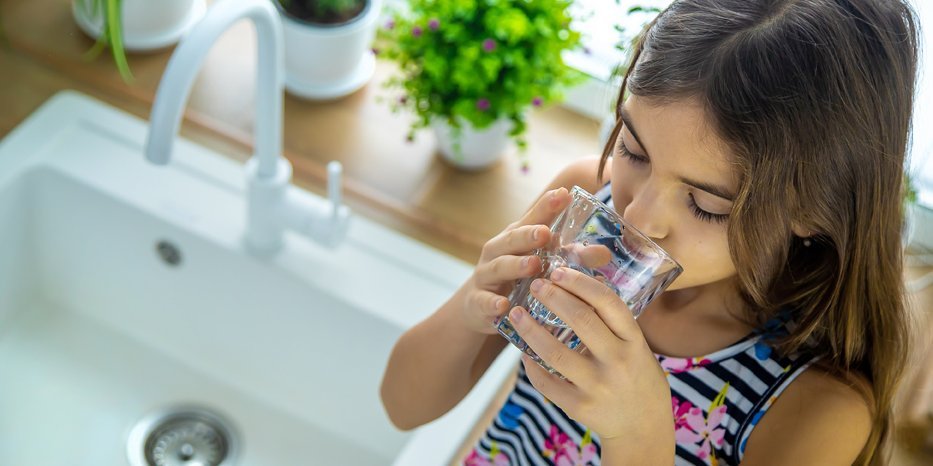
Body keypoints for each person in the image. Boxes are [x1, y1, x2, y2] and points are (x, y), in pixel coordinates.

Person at [380, 0, 920, 464]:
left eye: (706, 204)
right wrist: (472, 309)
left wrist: (638, 436)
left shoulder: (817, 408)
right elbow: (401, 405)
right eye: (633, 150)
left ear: (813, 208)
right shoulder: (579, 208)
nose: (635, 217)